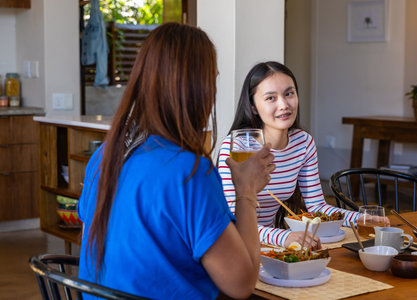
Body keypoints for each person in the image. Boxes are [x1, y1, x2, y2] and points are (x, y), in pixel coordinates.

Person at [77, 23, 275, 300]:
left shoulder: (106, 155)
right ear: (198, 88)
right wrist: (246, 191)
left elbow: (95, 244)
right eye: (212, 80)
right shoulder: (189, 172)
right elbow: (241, 285)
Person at [217, 61, 360, 249]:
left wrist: (363, 218)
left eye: (289, 94)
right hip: (232, 246)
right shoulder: (238, 147)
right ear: (253, 107)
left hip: (270, 245)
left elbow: (318, 207)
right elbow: (232, 221)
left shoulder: (303, 143)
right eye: (270, 98)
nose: (284, 105)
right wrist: (284, 237)